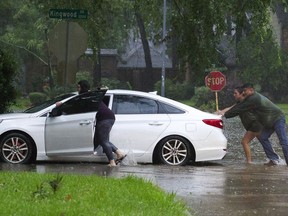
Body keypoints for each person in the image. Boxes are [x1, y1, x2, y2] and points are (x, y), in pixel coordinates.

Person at [224, 83, 288, 166]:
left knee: (283, 141)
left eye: (245, 91)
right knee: (262, 137)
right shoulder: (249, 98)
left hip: (277, 118)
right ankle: (274, 158)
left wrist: (225, 115)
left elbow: (239, 109)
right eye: (243, 91)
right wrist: (224, 114)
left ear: (251, 90)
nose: (243, 93)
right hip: (269, 122)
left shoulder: (254, 98)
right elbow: (237, 106)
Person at [218, 86, 263, 164]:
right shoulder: (240, 102)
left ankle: (249, 162)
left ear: (241, 93)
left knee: (244, 142)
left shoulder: (245, 103)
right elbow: (231, 108)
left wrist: (224, 114)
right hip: (255, 125)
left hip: (255, 125)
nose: (233, 95)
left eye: (235, 93)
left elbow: (233, 111)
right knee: (264, 142)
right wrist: (220, 112)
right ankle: (274, 158)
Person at [94, 100, 126, 167]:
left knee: (103, 141)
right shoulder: (94, 97)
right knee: (103, 140)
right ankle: (119, 153)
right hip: (108, 117)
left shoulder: (87, 98)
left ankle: (112, 162)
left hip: (104, 118)